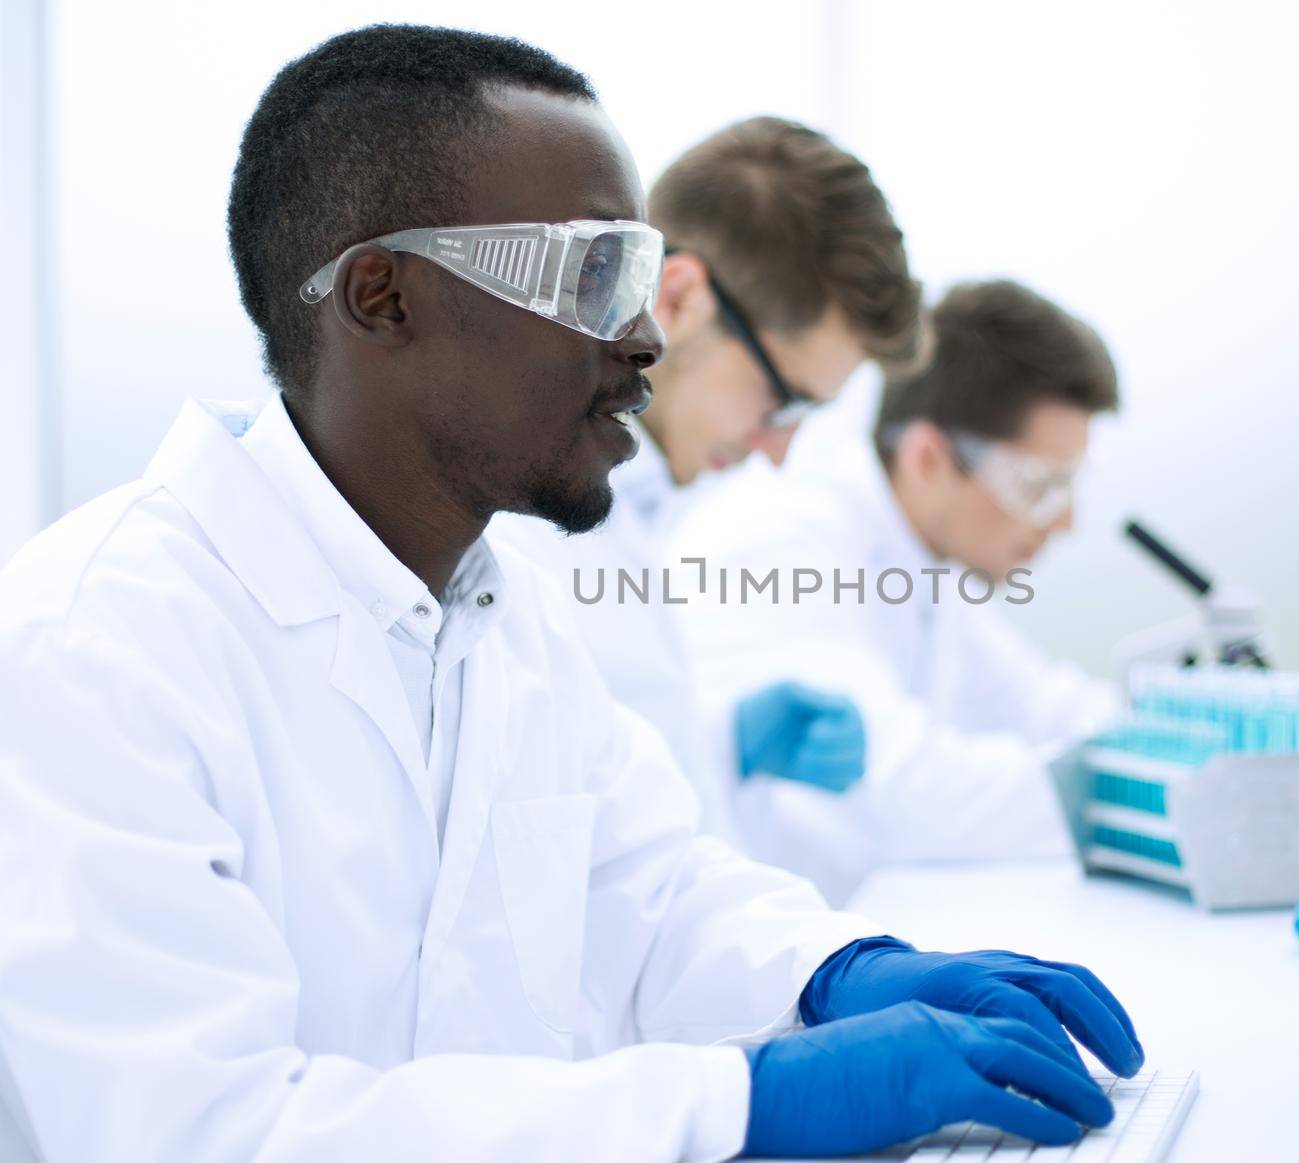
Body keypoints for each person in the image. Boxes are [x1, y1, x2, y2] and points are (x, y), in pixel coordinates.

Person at [0, 26, 1144, 1162]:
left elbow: (646, 895)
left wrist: (835, 971)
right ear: (382, 296)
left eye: (640, 275)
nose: (647, 338)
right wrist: (744, 1103)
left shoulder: (508, 614)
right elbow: (213, 1134)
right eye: (591, 275)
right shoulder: (93, 647)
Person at [489, 116, 922, 838]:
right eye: (783, 401)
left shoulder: (623, 505)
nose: (778, 450)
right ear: (681, 298)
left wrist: (725, 744)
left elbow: (600, 779)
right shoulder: (524, 525)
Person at [674, 280, 1123, 901]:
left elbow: (1044, 704)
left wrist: (1185, 743)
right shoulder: (783, 544)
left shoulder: (921, 564)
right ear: (928, 458)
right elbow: (902, 795)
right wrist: (1134, 790)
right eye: (1040, 486)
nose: (1065, 522)